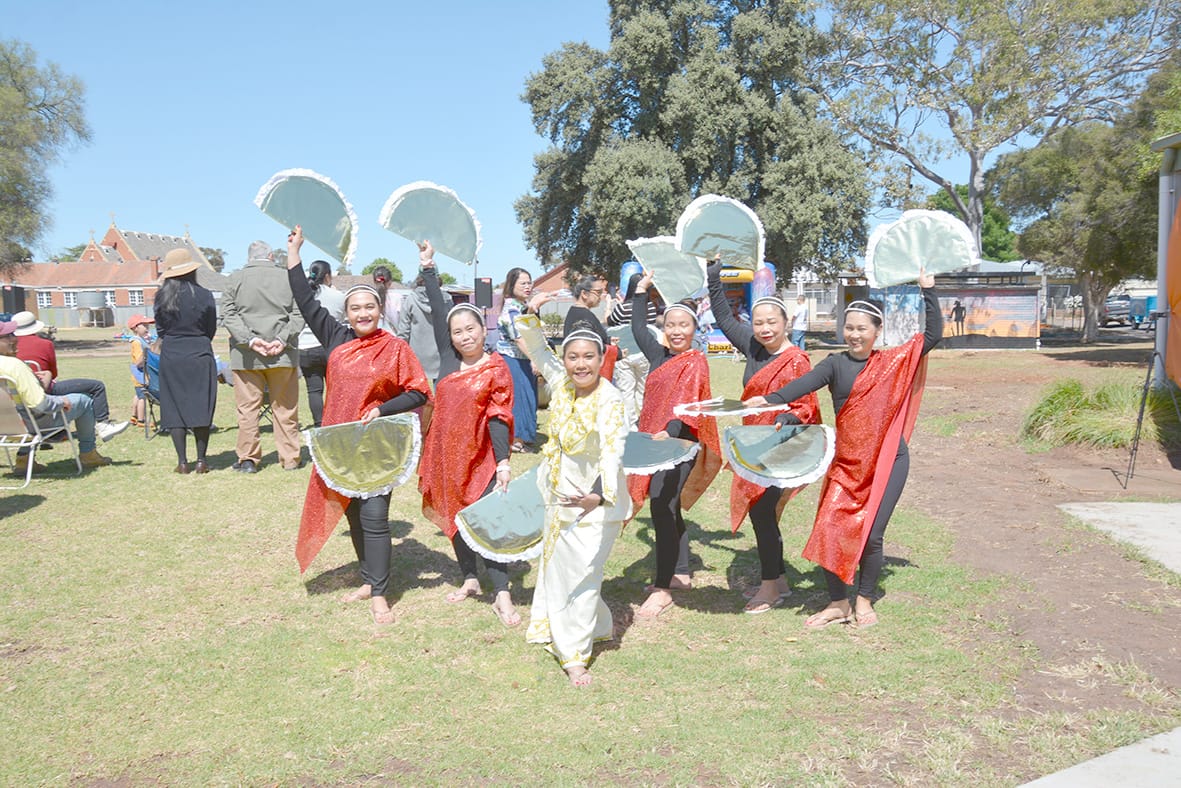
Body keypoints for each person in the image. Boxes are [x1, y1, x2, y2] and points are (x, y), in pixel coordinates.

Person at [747, 272, 942, 628]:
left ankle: (864, 600)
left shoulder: (891, 362)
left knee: (871, 534)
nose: (853, 334)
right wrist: (772, 399)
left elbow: (932, 336)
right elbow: (805, 383)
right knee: (829, 528)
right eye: (848, 327)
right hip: (847, 462)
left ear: (876, 331)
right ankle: (839, 603)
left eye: (861, 329)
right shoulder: (835, 363)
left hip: (888, 460)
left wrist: (928, 290)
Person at [287, 226, 431, 625]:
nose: (364, 313)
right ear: (347, 313)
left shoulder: (395, 347)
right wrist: (295, 255)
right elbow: (303, 300)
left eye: (370, 307)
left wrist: (383, 410)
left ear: (379, 311)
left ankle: (380, 595)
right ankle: (369, 579)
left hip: (379, 445)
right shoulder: (335, 338)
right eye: (356, 308)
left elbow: (418, 392)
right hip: (341, 442)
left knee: (375, 517)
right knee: (352, 515)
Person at [414, 242, 519, 626]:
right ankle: (470, 578)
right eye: (456, 332)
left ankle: (503, 595)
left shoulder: (495, 368)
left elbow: (498, 417)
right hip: (444, 454)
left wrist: (503, 462)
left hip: (481, 458)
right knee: (453, 518)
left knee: (489, 522)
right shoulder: (447, 358)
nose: (463, 336)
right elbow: (439, 307)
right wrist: (429, 269)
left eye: (469, 328)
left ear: (482, 328)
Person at [706, 260, 820, 614]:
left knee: (762, 510)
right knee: (763, 513)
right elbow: (724, 317)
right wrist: (714, 274)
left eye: (772, 322)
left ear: (787, 323)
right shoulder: (753, 347)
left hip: (782, 447)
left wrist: (783, 418)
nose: (765, 328)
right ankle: (779, 581)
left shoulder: (797, 360)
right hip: (753, 444)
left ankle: (770, 586)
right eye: (759, 323)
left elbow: (806, 406)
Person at [520, 325, 631, 687]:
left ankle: (574, 657)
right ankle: (587, 630)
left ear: (601, 359)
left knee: (583, 571)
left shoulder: (611, 399)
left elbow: (614, 451)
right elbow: (537, 349)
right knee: (562, 569)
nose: (580, 364)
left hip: (597, 501)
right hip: (559, 493)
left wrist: (597, 495)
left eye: (588, 357)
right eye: (572, 357)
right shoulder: (561, 383)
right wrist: (528, 310)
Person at [626, 273, 721, 618]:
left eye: (684, 325)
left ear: (694, 328)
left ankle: (663, 588)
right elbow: (638, 329)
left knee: (662, 506)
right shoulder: (658, 354)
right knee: (666, 507)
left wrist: (669, 430)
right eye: (671, 325)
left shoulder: (695, 360)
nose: (678, 331)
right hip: (653, 441)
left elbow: (685, 402)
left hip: (680, 443)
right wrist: (640, 292)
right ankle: (679, 572)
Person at [221, 241, 305, 473]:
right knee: (285, 409)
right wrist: (282, 339)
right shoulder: (288, 278)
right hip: (283, 355)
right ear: (270, 255)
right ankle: (290, 458)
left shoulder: (234, 279)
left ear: (249, 257)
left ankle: (248, 459)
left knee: (248, 410)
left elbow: (228, 314)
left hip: (246, 356)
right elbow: (300, 312)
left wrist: (249, 340)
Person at [1, 319, 113, 469]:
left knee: (25, 411)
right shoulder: (15, 366)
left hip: (7, 426)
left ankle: (24, 460)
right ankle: (88, 454)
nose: (14, 339)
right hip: (33, 423)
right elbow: (40, 404)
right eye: (8, 336)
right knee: (84, 400)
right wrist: (62, 402)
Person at [12, 310, 129, 441]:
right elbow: (54, 374)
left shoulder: (9, 348)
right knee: (97, 386)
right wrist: (49, 374)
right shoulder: (45, 344)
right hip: (44, 391)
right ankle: (103, 424)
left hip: (17, 399)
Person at [153, 250, 219, 474]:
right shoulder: (205, 295)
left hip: (172, 352)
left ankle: (182, 462)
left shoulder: (161, 296)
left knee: (174, 407)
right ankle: (201, 460)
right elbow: (211, 328)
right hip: (199, 350)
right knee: (201, 405)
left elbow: (160, 329)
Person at [496, 268, 552, 452]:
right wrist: (535, 359)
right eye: (523, 283)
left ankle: (525, 437)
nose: (528, 287)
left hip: (524, 358)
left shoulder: (522, 306)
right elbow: (519, 338)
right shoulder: (511, 309)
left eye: (529, 283)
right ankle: (516, 439)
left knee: (529, 397)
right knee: (520, 398)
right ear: (512, 286)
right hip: (513, 359)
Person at [296, 261, 346, 428]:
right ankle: (335, 420)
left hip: (305, 347)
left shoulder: (304, 295)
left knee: (314, 390)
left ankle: (319, 424)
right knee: (334, 389)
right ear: (327, 276)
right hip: (328, 346)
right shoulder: (337, 296)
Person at [607, 272, 659, 427]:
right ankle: (646, 420)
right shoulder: (649, 307)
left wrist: (610, 305)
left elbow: (610, 322)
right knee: (644, 390)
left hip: (625, 354)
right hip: (644, 353)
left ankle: (630, 424)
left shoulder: (622, 308)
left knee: (626, 390)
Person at [396, 266, 453, 383]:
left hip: (417, 359)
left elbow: (403, 332)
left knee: (420, 399)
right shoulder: (447, 299)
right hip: (442, 356)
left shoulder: (410, 299)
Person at [563, 275, 617, 381]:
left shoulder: (578, 313)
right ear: (584, 294)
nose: (600, 297)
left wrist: (608, 340)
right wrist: (616, 352)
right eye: (598, 292)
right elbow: (588, 346)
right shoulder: (583, 316)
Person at [126, 314, 155, 427]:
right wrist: (148, 352)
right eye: (144, 325)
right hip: (140, 374)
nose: (147, 327)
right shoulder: (137, 342)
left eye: (148, 325)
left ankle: (134, 416)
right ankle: (141, 421)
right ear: (135, 328)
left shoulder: (141, 340)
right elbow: (139, 361)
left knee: (138, 395)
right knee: (142, 397)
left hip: (138, 375)